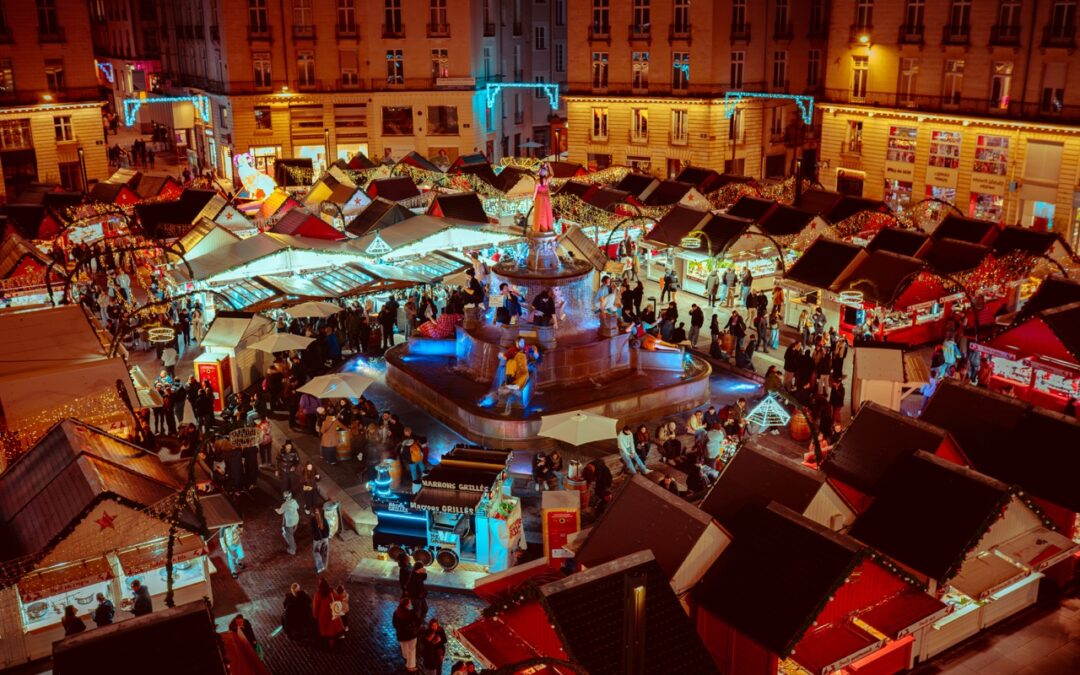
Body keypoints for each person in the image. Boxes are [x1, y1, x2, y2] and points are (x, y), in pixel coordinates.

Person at [311, 578, 345, 648]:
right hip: (332, 612)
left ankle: (329, 644)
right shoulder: (331, 591)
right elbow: (337, 598)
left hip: (323, 614)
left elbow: (316, 606)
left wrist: (315, 615)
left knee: (326, 630)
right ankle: (335, 641)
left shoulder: (318, 594)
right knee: (332, 628)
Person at [393, 597, 422, 672]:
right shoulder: (411, 613)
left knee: (404, 648)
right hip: (411, 635)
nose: (411, 604)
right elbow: (418, 621)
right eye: (409, 603)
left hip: (401, 635)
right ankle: (410, 667)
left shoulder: (396, 613)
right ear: (406, 605)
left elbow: (394, 624)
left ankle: (406, 659)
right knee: (411, 650)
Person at [276, 491, 300, 555]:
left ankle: (293, 549)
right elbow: (297, 507)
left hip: (290, 522)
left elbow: (280, 512)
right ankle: (293, 544)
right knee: (291, 533)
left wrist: (276, 510)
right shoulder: (294, 501)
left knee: (289, 535)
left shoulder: (284, 505)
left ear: (284, 498)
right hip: (296, 519)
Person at [311, 507, 331, 574]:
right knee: (324, 552)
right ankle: (324, 566)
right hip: (325, 538)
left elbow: (313, 531)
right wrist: (326, 536)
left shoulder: (313, 521)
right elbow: (327, 528)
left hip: (317, 539)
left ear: (313, 514)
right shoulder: (323, 519)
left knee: (315, 552)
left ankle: (320, 566)